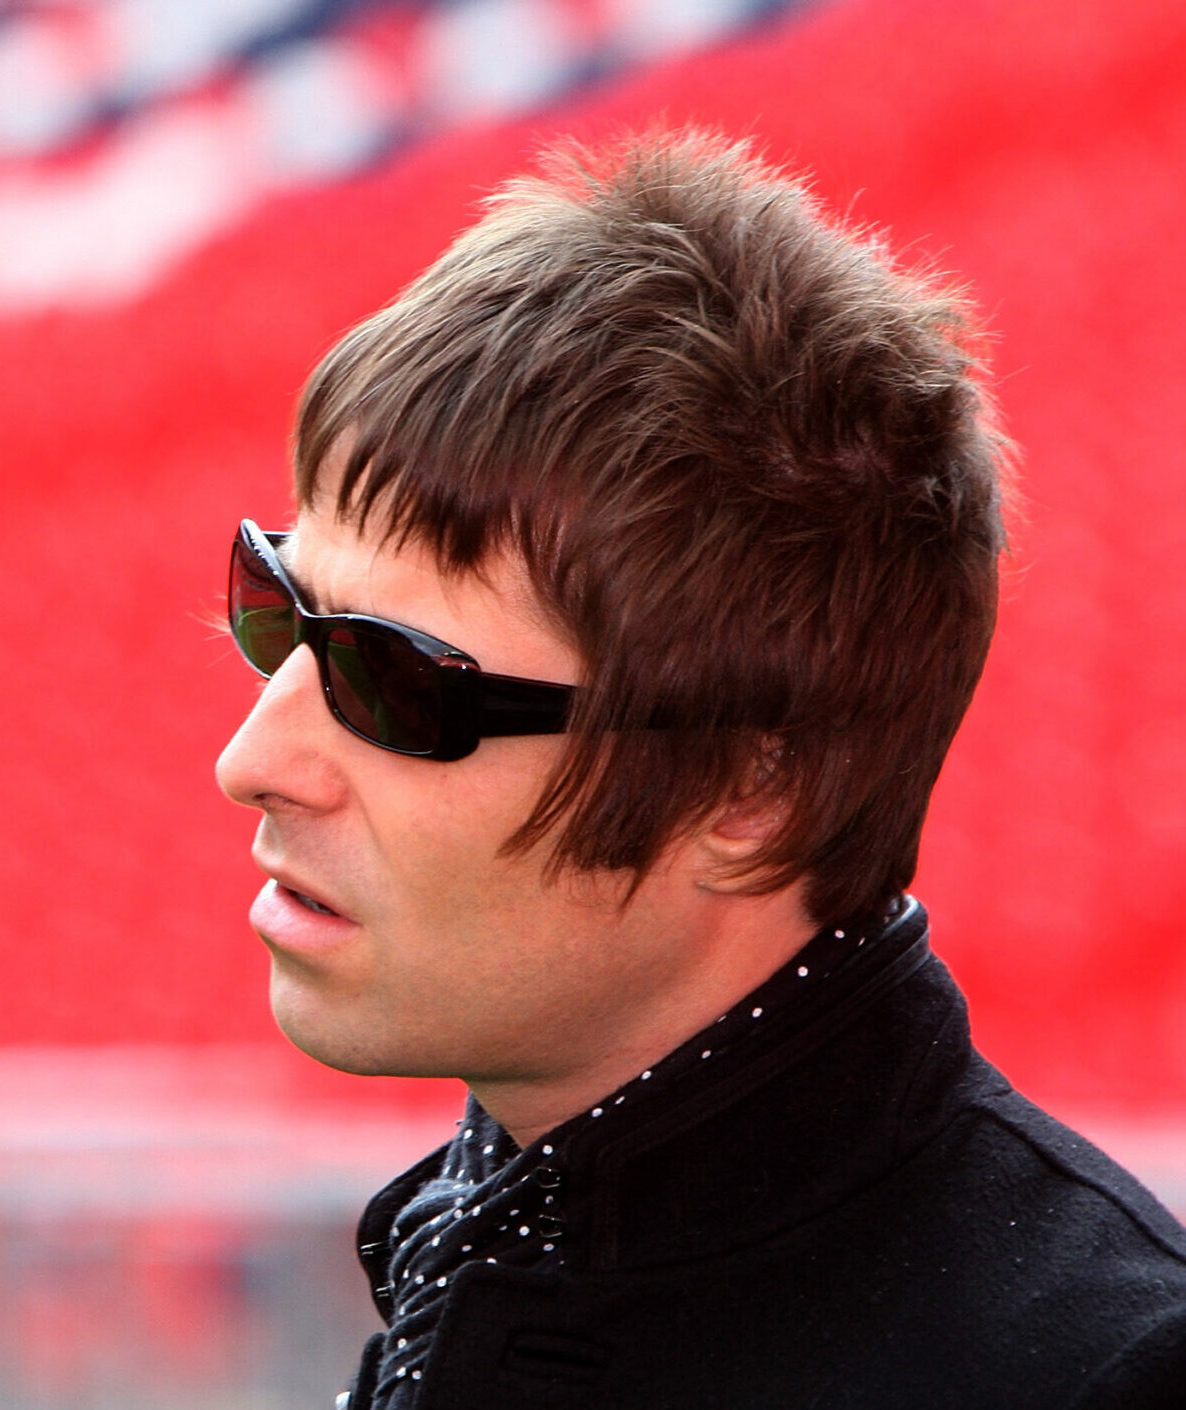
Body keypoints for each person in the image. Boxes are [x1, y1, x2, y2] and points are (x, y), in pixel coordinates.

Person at [214, 132, 1186, 1408]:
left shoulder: (1098, 1373)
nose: (253, 760)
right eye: (275, 609)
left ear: (749, 794)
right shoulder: (503, 1226)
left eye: (399, 681)